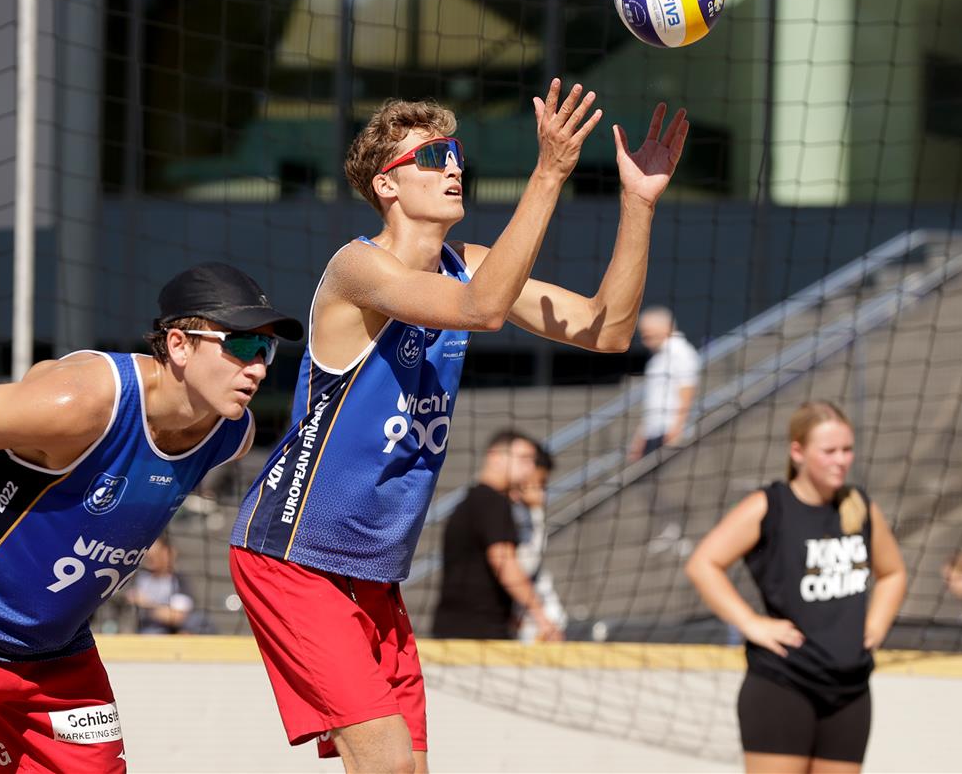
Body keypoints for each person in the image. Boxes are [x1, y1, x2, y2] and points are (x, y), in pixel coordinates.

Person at [229, 79, 689, 773]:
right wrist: (548, 171)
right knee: (386, 762)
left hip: (374, 572)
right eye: (432, 155)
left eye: (456, 154)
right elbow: (483, 309)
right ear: (387, 185)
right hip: (294, 554)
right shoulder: (358, 267)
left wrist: (638, 203)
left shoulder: (467, 264)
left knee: (409, 769)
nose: (452, 166)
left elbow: (609, 330)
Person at [0, 262, 301, 774]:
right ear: (179, 345)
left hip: (54, 649)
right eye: (241, 345)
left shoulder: (230, 434)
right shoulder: (81, 402)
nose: (258, 368)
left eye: (266, 349)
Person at [685, 401, 907, 774]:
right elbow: (703, 564)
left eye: (847, 449)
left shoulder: (860, 508)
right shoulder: (769, 506)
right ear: (798, 452)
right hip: (784, 682)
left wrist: (875, 626)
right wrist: (751, 623)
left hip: (850, 687)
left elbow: (893, 573)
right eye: (829, 451)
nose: (841, 460)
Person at [432, 430, 562, 642]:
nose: (530, 468)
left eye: (532, 461)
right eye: (523, 459)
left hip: (459, 629)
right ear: (495, 457)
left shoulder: (474, 500)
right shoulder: (493, 502)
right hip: (478, 634)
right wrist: (541, 617)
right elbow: (504, 562)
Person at [629, 305, 700, 460]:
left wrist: (676, 429)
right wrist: (640, 438)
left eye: (648, 333)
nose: (644, 339)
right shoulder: (657, 358)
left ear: (665, 327)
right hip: (654, 433)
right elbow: (653, 401)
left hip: (669, 432)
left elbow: (687, 392)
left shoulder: (681, 352)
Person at [512, 448, 568, 643]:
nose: (542, 491)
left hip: (535, 608)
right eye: (540, 483)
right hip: (520, 611)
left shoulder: (533, 513)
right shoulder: (505, 508)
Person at [125, 534, 210, 635]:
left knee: (198, 622)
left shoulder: (179, 581)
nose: (150, 558)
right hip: (145, 630)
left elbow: (177, 616)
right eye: (149, 556)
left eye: (156, 555)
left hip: (170, 631)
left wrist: (147, 604)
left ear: (168, 553)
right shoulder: (138, 578)